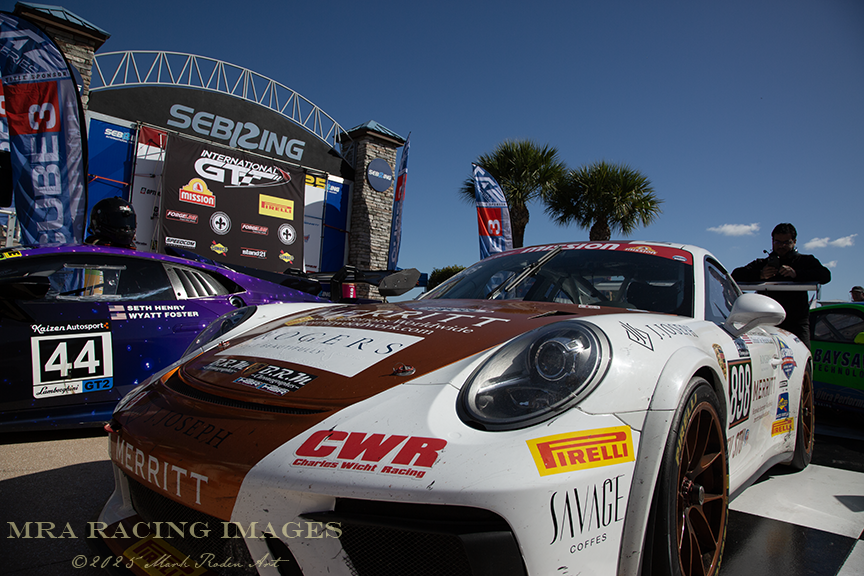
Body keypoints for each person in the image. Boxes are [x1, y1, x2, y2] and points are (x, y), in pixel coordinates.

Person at [731, 223, 831, 348]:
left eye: (786, 243)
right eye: (778, 242)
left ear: (794, 242)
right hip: (766, 322)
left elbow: (825, 275)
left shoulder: (805, 261)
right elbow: (735, 275)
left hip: (796, 322)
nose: (781, 246)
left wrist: (796, 274)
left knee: (804, 358)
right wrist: (760, 274)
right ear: (772, 242)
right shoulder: (762, 263)